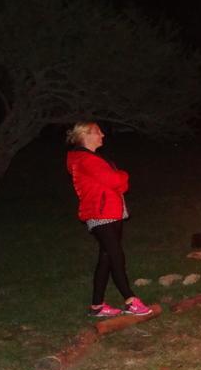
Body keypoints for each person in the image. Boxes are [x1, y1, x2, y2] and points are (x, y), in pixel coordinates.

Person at [65, 122, 152, 318]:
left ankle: (97, 306)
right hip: (100, 214)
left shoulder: (93, 158)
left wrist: (118, 179)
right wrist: (123, 174)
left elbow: (119, 187)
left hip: (111, 212)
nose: (102, 134)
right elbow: (115, 181)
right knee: (116, 255)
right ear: (86, 135)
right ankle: (130, 300)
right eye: (97, 131)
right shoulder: (85, 159)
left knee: (106, 258)